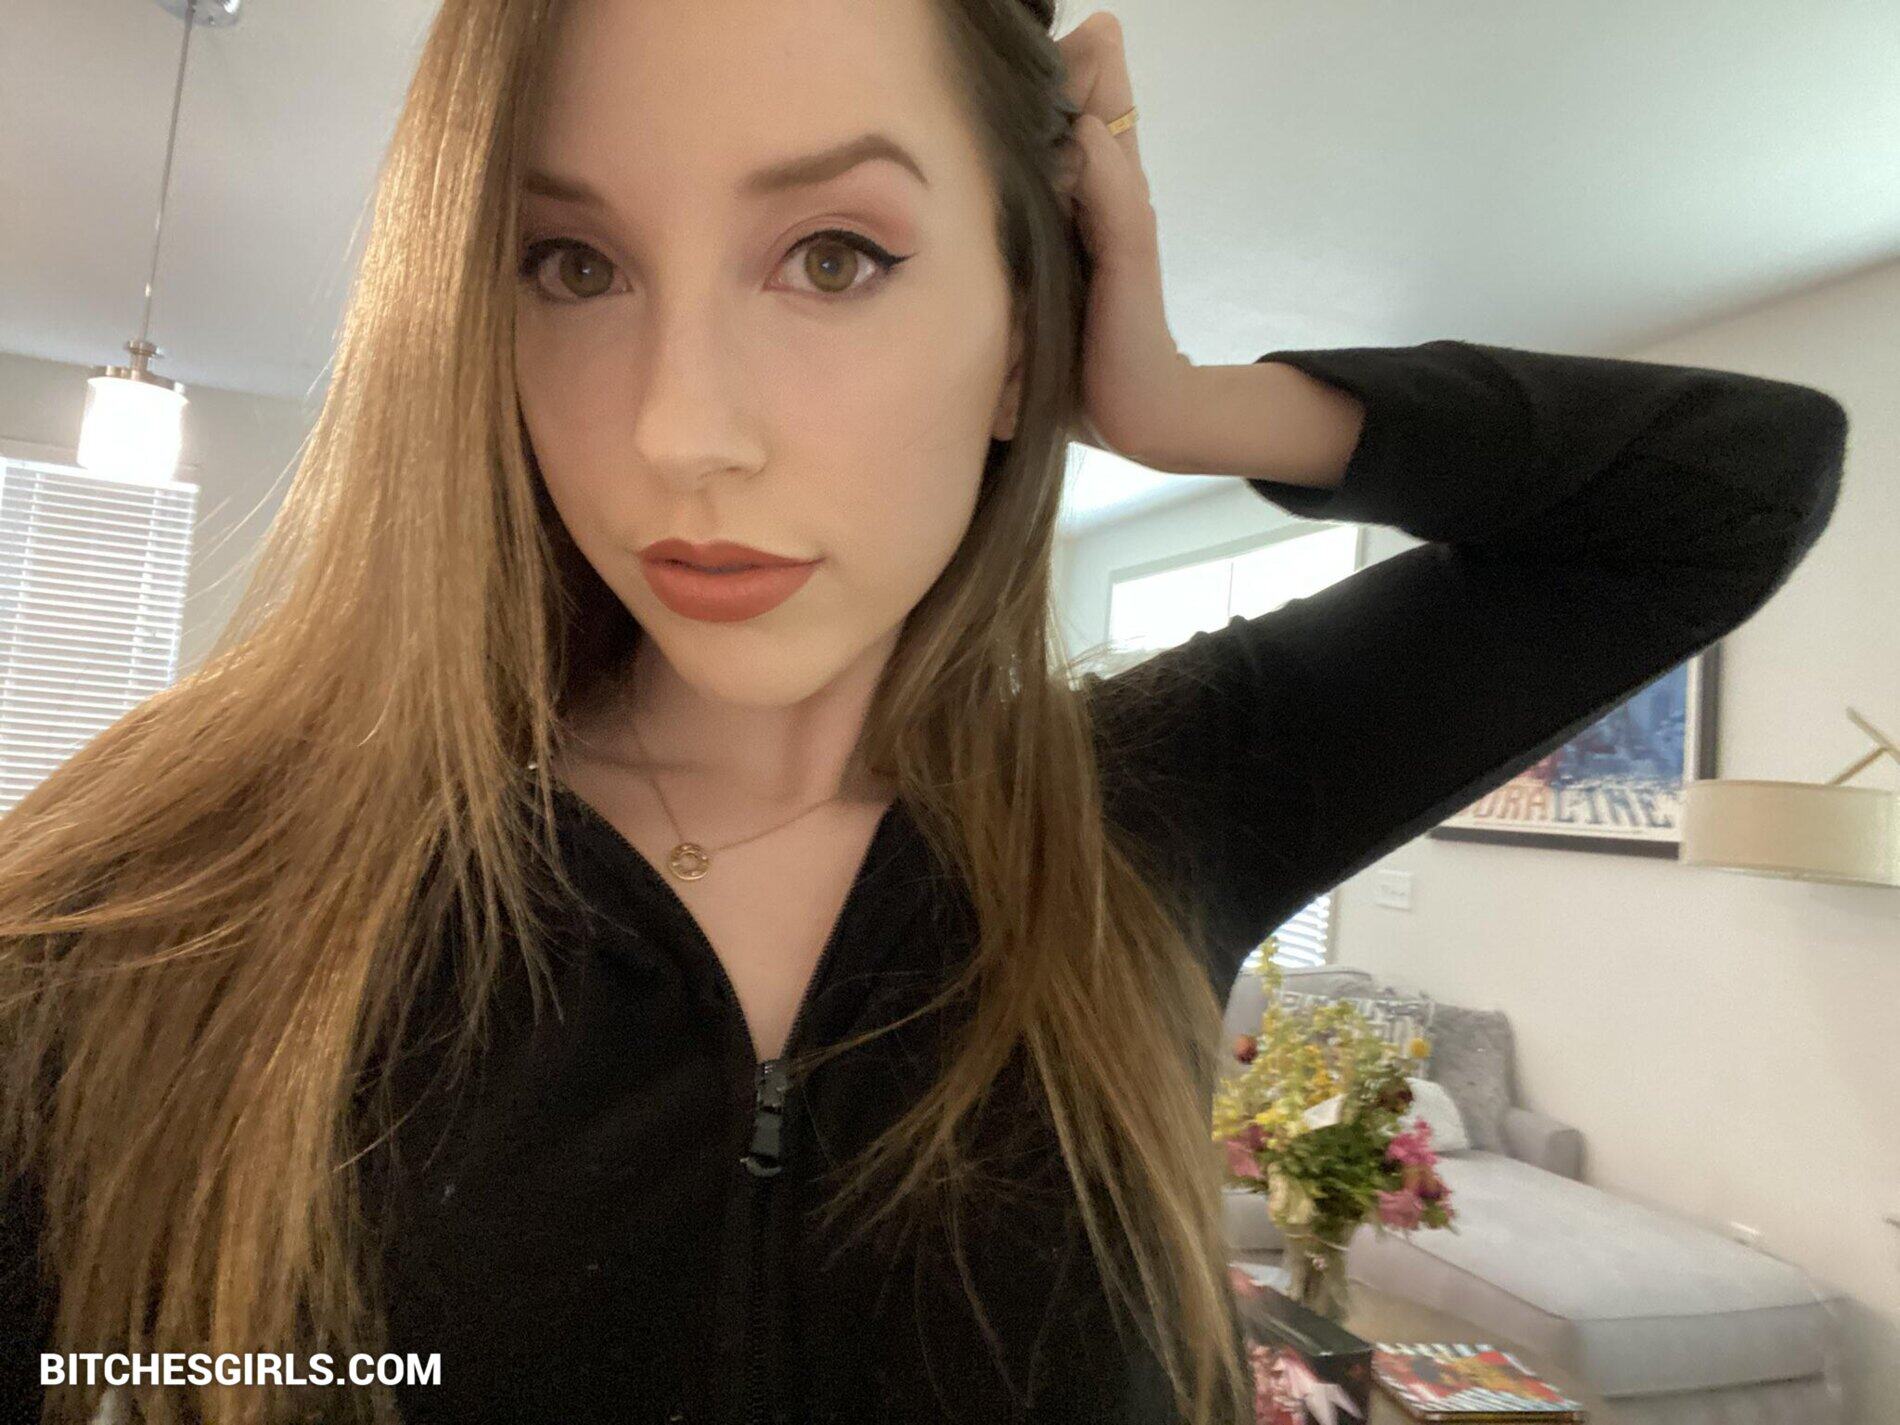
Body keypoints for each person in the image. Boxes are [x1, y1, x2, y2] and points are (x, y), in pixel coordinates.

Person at [0, 0, 1850, 1423]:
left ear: (1024, 336)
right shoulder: (164, 909)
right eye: (574, 265)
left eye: (835, 256)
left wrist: (1183, 400)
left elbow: (1730, 487)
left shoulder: (1159, 807)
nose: (680, 431)